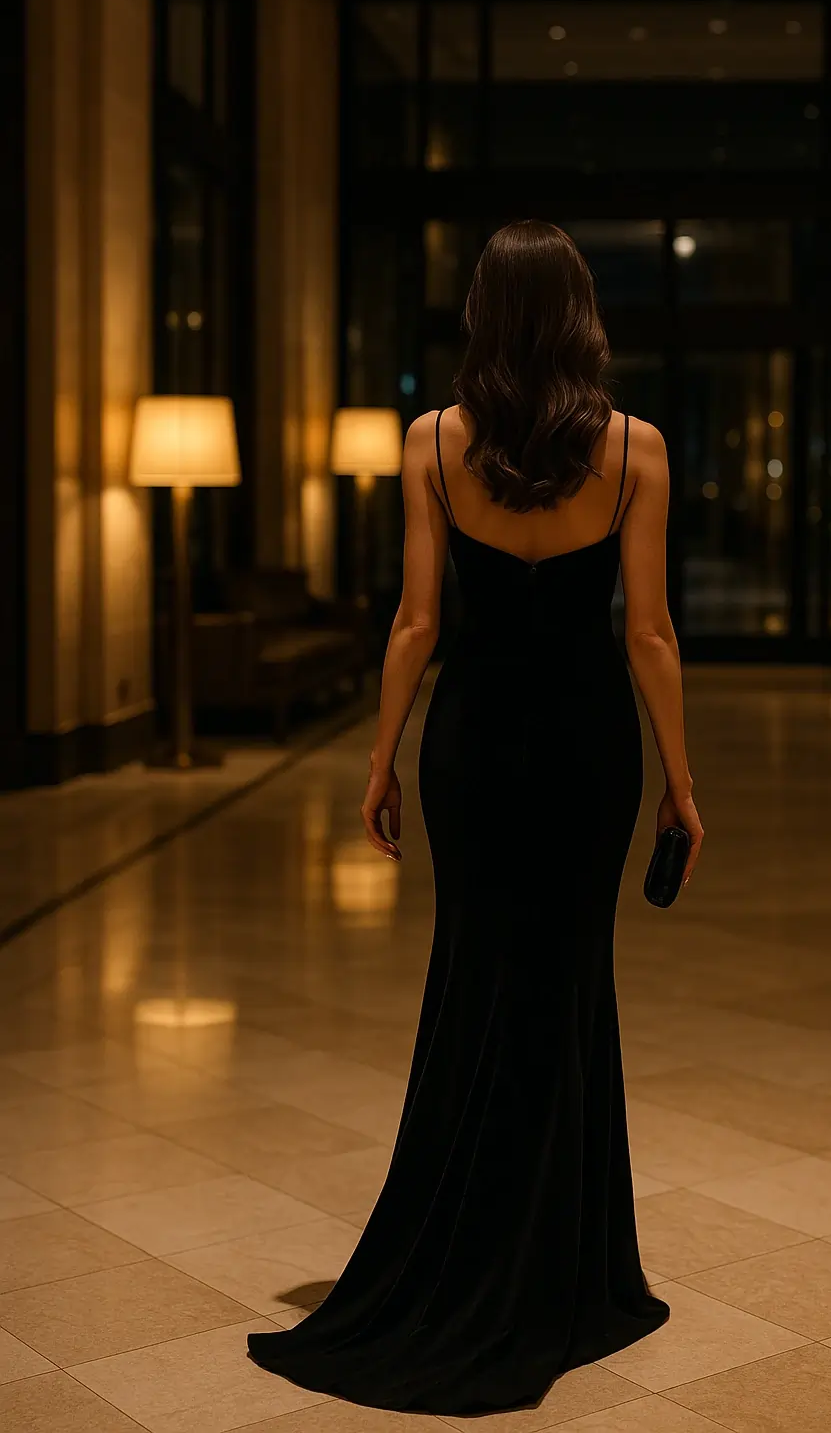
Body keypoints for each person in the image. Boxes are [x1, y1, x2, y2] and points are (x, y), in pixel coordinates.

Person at [247, 219, 703, 1414]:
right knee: (566, 982)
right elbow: (647, 633)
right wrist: (681, 782)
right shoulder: (636, 446)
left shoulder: (433, 442)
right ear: (581, 315)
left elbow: (416, 623)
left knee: (474, 975)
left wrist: (381, 754)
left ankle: (460, 1241)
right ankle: (569, 1262)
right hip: (588, 745)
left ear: (483, 318)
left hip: (476, 742)